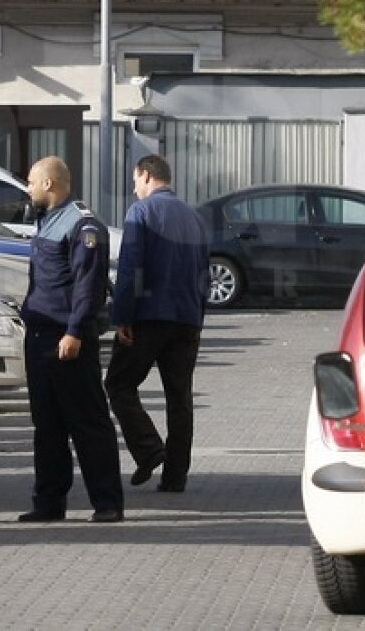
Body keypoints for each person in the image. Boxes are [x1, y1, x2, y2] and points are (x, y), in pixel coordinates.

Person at [18, 156, 125, 523]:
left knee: (88, 422)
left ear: (49, 184)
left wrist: (75, 331)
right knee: (47, 424)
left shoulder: (82, 225)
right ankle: (48, 502)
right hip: (40, 336)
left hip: (67, 339)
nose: (28, 188)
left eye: (31, 182)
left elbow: (88, 286)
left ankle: (107, 503)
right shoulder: (47, 219)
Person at [105, 154, 209, 493]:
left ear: (147, 175)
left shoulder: (141, 212)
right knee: (180, 398)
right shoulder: (194, 218)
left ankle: (149, 449)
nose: (134, 186)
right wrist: (198, 318)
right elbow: (204, 274)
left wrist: (123, 316)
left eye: (135, 179)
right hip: (187, 319)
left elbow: (131, 267)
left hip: (149, 317)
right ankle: (175, 476)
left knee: (118, 384)